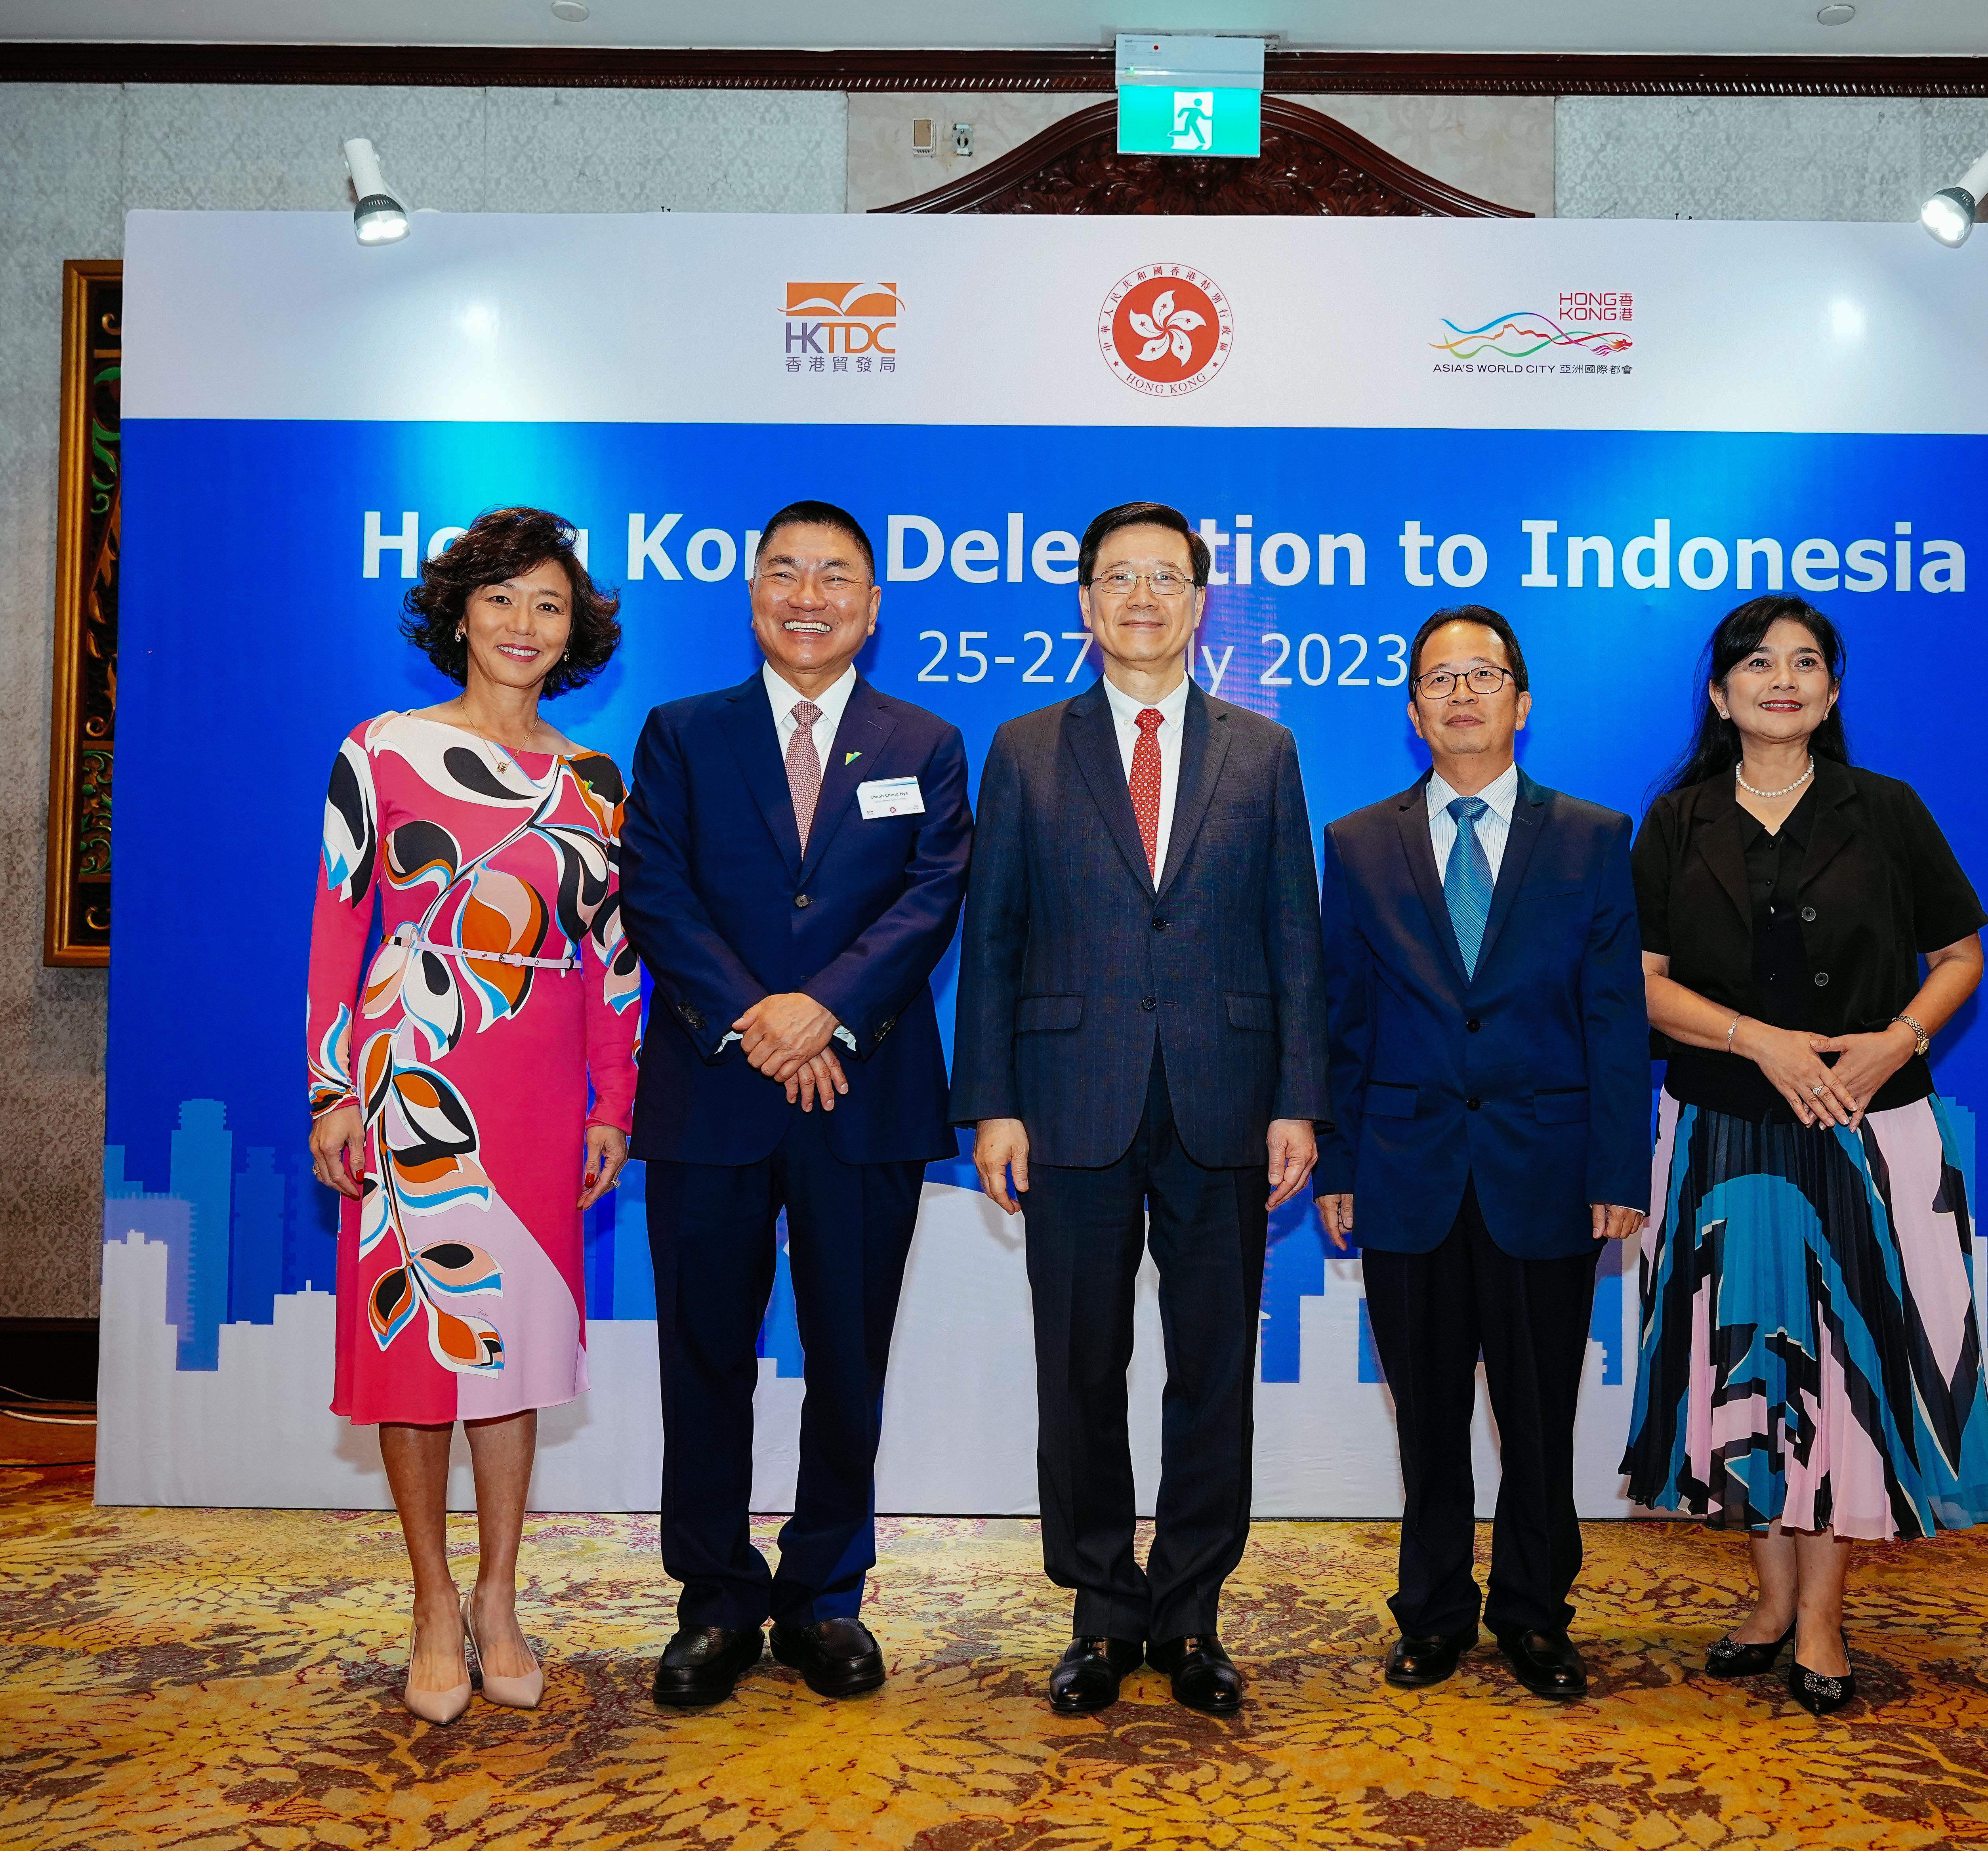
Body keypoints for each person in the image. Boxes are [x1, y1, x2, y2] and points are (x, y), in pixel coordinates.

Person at [952, 500, 1325, 1718]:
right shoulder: (1026, 748)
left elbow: (1295, 939)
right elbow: (994, 939)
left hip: (1226, 1100)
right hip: (1069, 1099)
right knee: (1081, 1366)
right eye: (1119, 577)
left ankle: (1192, 1613)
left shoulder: (1262, 751)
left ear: (1201, 603)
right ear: (1085, 602)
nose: (1144, 598)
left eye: (1167, 577)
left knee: (1213, 1371)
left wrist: (1298, 1101)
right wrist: (993, 1103)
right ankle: (1104, 1613)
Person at [614, 500, 972, 1707]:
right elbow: (656, 890)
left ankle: (825, 1594)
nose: (807, 597)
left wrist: (823, 1010)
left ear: (873, 606)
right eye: (785, 573)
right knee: (704, 1357)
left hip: (864, 1092)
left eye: (835, 577)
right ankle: (716, 1597)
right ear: (753, 592)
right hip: (714, 1087)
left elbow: (931, 898)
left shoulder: (926, 742)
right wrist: (758, 1020)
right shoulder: (683, 733)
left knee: (849, 1359)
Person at [1621, 595, 1988, 1716]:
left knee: (1846, 1372)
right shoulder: (1677, 822)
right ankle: (1772, 1599)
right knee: (1745, 1366)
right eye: (1756, 663)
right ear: (1719, 694)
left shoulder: (1886, 810)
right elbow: (1641, 985)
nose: (1780, 680)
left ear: (1832, 693)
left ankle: (1825, 1617)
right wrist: (1759, 1040)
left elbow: (1961, 956)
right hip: (1725, 1131)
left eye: (1804, 664)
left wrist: (1896, 1042)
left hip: (1865, 1126)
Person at [307, 505, 639, 1725]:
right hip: (409, 1076)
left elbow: (613, 958)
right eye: (501, 598)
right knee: (417, 1350)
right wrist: (333, 1087)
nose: (523, 624)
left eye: (548, 604)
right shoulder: (381, 750)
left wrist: (613, 1100)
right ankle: (433, 1602)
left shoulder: (594, 782)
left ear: (573, 632)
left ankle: (500, 1596)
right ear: (458, 615)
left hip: (542, 1092)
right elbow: (340, 925)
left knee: (514, 1347)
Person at [1314, 606, 1649, 1701]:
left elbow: (1614, 1017)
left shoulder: (1593, 837)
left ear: (1523, 701)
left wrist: (1618, 1169)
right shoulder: (1358, 844)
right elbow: (1342, 1018)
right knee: (1429, 1419)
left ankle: (1536, 1615)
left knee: (1538, 1416)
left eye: (1484, 675)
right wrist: (1339, 1164)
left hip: (1546, 1171)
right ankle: (1433, 1612)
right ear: (1414, 711)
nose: (1462, 694)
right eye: (1439, 679)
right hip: (1405, 1170)